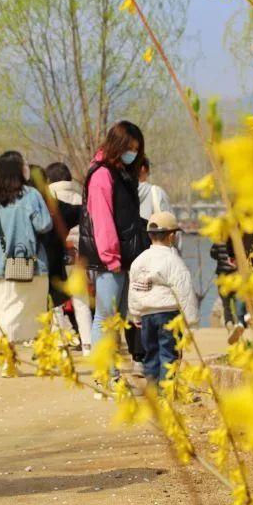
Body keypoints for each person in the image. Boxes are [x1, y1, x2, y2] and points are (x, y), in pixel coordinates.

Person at [79, 121, 149, 376]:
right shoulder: (102, 175)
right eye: (129, 147)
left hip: (124, 256)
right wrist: (111, 256)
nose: (132, 153)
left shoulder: (122, 174)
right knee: (106, 317)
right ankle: (105, 374)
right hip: (110, 259)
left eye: (136, 149)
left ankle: (111, 372)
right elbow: (103, 219)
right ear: (117, 145)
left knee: (117, 317)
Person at [0, 151, 53, 374]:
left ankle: (8, 361)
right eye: (24, 164)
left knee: (3, 314)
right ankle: (42, 360)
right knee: (36, 315)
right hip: (30, 265)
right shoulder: (31, 195)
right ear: (18, 169)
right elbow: (44, 225)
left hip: (0, 266)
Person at [128, 211, 198, 383]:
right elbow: (185, 291)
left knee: (151, 354)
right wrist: (191, 321)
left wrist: (135, 314)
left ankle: (153, 389)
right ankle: (166, 391)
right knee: (169, 354)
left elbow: (134, 289)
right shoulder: (173, 260)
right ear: (172, 236)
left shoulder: (139, 260)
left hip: (146, 316)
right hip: (169, 314)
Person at [45, 161, 92, 352]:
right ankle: (88, 344)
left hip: (56, 256)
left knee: (55, 302)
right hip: (80, 256)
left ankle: (59, 343)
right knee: (82, 302)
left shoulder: (48, 199)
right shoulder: (81, 198)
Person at [209, 232, 253, 344]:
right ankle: (243, 320)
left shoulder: (218, 243)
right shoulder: (240, 241)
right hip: (236, 277)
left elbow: (212, 254)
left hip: (223, 278)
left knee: (226, 306)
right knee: (240, 302)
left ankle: (231, 325)